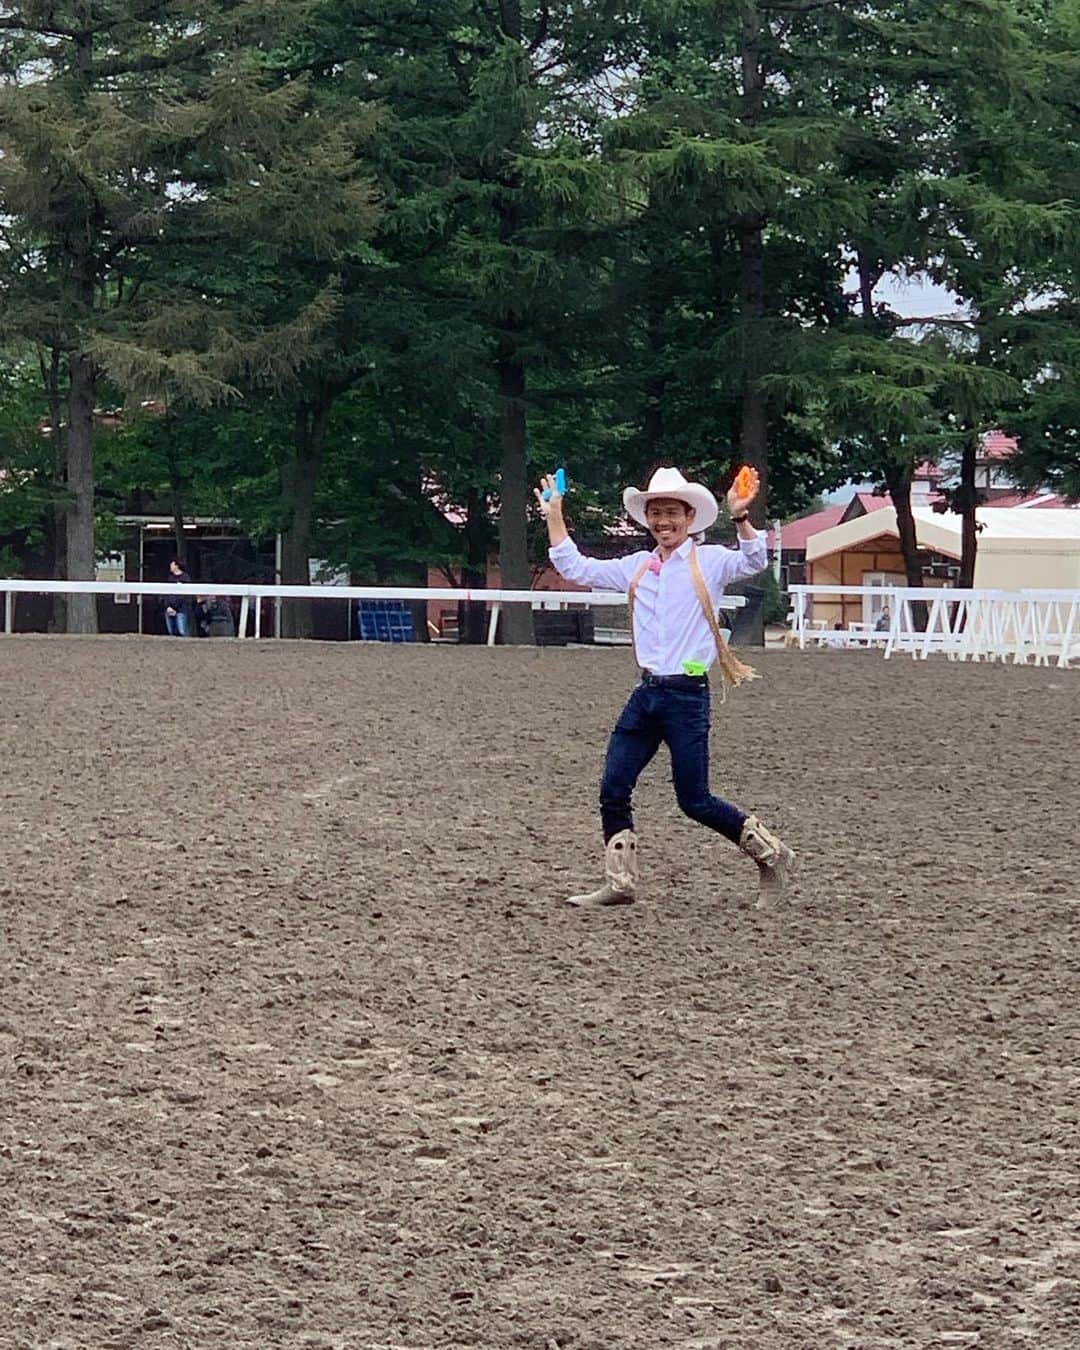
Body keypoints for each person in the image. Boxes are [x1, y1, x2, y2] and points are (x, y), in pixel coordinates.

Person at [535, 464, 796, 909]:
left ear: (689, 517)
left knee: (694, 799)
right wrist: (554, 514)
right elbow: (576, 566)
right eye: (656, 512)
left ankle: (772, 854)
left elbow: (754, 560)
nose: (663, 521)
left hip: (687, 696)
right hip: (647, 694)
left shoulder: (709, 562)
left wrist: (740, 517)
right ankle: (620, 884)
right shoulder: (638, 567)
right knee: (613, 787)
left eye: (672, 512)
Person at [164, 558, 194, 637]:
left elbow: (184, 596)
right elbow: (167, 594)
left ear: (177, 566)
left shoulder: (185, 578)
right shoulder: (170, 578)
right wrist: (168, 606)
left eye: (172, 564)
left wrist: (175, 608)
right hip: (170, 609)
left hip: (181, 609)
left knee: (182, 632)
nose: (170, 566)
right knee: (171, 633)